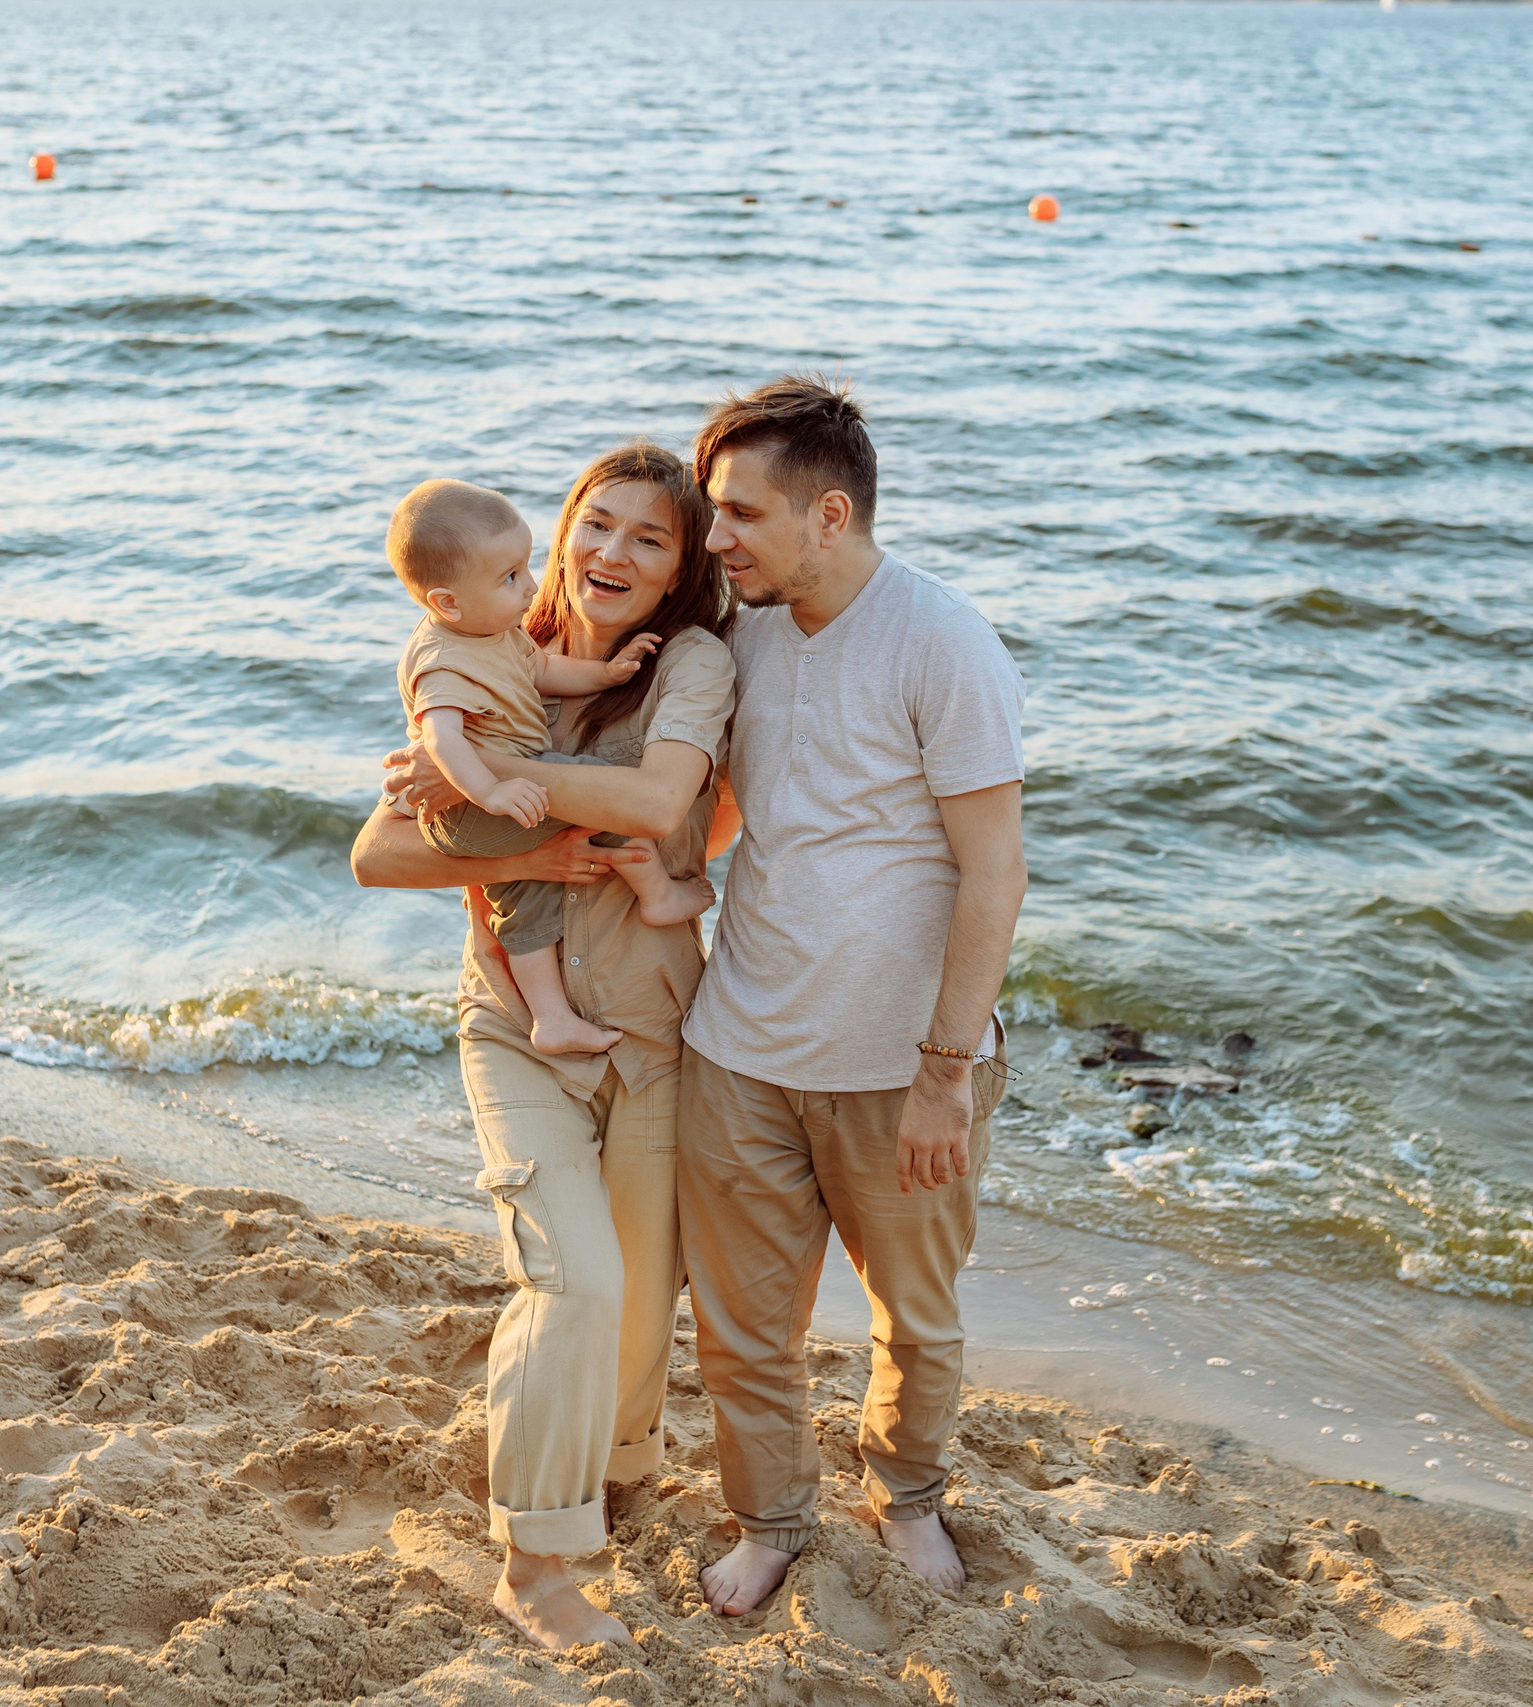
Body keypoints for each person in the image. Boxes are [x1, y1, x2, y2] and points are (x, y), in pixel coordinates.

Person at [350, 443, 736, 1649]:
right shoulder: (482, 642)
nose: (613, 553)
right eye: (597, 525)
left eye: (650, 539)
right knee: (570, 1277)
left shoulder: (693, 667)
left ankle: (611, 1474)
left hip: (657, 1031)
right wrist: (518, 853)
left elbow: (658, 806)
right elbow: (381, 852)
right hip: (516, 1028)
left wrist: (494, 779)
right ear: (563, 531)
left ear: (680, 570)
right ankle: (538, 1566)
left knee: (635, 1301)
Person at [671, 376, 1027, 1615]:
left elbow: (995, 868)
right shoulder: (744, 635)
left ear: (830, 516)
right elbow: (733, 805)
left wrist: (943, 1072)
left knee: (915, 1323)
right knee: (741, 1328)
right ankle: (769, 1520)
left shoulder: (942, 640)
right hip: (739, 1047)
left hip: (900, 1069)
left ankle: (909, 1497)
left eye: (738, 515)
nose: (716, 541)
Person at [380, 478, 715, 1056]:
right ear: (447, 602)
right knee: (592, 798)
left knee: (527, 898)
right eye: (510, 577)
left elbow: (544, 672)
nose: (532, 585)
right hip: (479, 808)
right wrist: (489, 789)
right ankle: (656, 893)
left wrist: (610, 676)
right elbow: (437, 743)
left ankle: (552, 1018)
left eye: (648, 540)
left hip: (645, 1016)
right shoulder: (445, 657)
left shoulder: (497, 633)